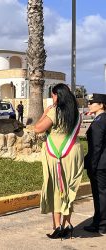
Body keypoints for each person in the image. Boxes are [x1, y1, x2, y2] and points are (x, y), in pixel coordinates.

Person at [34, 83, 83, 239]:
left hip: (58, 154)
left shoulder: (55, 111)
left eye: (53, 95)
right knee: (68, 188)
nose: (52, 98)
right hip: (73, 152)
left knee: (57, 187)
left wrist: (45, 112)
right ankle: (68, 224)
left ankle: (57, 226)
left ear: (57, 95)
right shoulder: (76, 113)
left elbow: (38, 128)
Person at [83, 93, 106, 234]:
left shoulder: (99, 121)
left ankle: (101, 224)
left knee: (100, 194)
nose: (89, 105)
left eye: (92, 102)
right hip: (103, 162)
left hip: (100, 165)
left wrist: (92, 165)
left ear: (101, 105)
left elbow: (96, 147)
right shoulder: (102, 119)